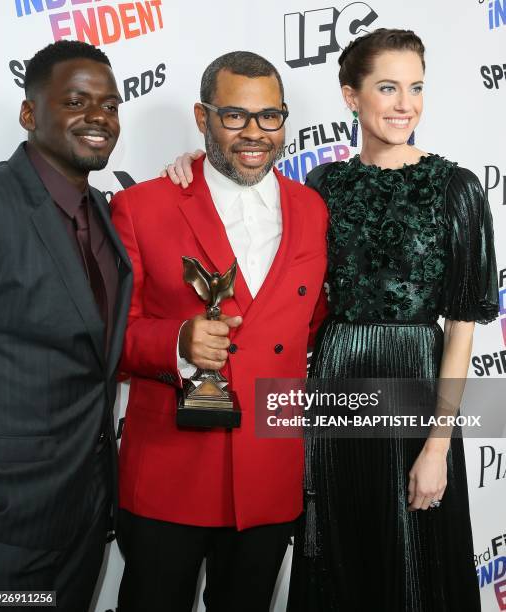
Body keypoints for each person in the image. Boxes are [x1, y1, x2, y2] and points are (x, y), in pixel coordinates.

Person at [165, 29, 499, 612]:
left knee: (414, 562)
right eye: (388, 87)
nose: (405, 104)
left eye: (416, 87)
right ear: (351, 96)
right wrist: (198, 165)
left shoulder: (458, 189)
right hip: (334, 395)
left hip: (416, 393)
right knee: (339, 554)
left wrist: (437, 446)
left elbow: (464, 326)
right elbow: (250, 200)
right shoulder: (322, 188)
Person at [110, 51, 328, 612]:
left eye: (269, 117)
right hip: (169, 474)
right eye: (233, 116)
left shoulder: (313, 209)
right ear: (202, 118)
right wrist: (177, 341)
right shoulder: (140, 207)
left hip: (268, 472)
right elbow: (109, 337)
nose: (253, 133)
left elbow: (318, 326)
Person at [0, 41, 132, 611]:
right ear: (30, 114)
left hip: (87, 509)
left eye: (111, 105)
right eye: (76, 101)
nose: (99, 117)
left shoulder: (101, 211)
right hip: (7, 520)